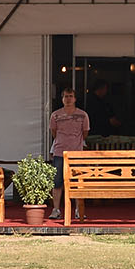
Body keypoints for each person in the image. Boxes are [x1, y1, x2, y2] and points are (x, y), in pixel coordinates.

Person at [48, 87, 89, 217]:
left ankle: (78, 209)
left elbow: (85, 133)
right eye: (66, 96)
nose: (68, 99)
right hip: (59, 152)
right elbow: (54, 132)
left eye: (71, 96)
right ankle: (56, 209)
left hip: (76, 153)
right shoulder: (55, 115)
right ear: (62, 99)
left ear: (75, 98)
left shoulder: (83, 115)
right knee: (57, 181)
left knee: (77, 181)